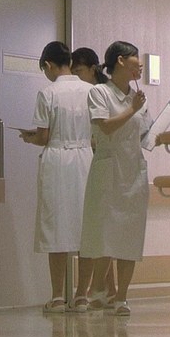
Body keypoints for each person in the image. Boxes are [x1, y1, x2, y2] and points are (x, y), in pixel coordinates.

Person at [74, 41, 150, 317]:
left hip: (134, 171)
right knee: (102, 231)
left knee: (130, 233)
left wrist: (160, 132)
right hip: (108, 170)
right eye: (136, 60)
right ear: (120, 61)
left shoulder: (137, 96)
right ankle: (96, 291)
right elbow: (105, 128)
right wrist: (132, 109)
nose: (140, 66)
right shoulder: (100, 92)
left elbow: (144, 133)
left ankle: (122, 297)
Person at [19, 41, 94, 313]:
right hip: (86, 158)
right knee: (87, 228)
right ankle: (82, 296)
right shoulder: (91, 91)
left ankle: (58, 297)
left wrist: (30, 138)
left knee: (56, 227)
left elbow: (44, 136)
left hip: (58, 160)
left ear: (49, 65)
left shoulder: (47, 92)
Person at [70, 47, 117, 305]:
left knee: (97, 231)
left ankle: (90, 291)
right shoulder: (94, 92)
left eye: (79, 71)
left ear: (92, 68)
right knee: (100, 229)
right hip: (95, 162)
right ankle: (107, 290)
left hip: (101, 164)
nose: (76, 77)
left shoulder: (101, 92)